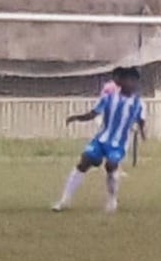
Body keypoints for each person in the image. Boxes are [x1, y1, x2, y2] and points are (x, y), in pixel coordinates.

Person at [53, 67, 146, 213]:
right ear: (120, 81)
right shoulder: (108, 98)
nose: (131, 83)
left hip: (118, 144)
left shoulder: (139, 103)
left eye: (134, 80)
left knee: (111, 165)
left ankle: (112, 199)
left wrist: (142, 132)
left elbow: (141, 120)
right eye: (128, 79)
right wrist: (77, 118)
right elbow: (93, 113)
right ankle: (65, 199)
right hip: (101, 140)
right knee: (84, 162)